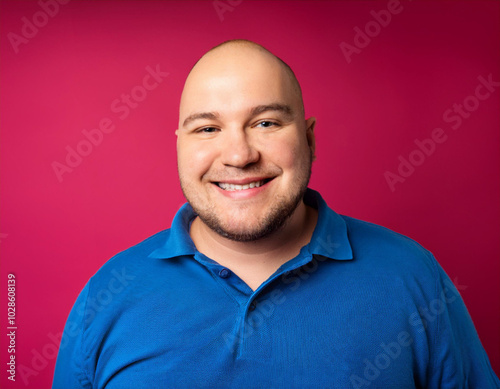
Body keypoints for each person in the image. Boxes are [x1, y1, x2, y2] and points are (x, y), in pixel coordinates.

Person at [52, 39, 500, 389]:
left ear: (309, 140)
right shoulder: (108, 295)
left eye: (266, 123)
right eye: (207, 128)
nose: (239, 155)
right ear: (180, 147)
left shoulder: (412, 277)